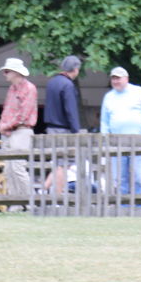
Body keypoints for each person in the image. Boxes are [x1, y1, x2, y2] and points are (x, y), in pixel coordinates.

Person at [100, 66, 141, 196]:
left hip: (138, 141)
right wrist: (105, 139)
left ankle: (139, 206)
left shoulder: (138, 91)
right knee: (118, 179)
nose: (115, 81)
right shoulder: (108, 97)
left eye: (118, 78)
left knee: (139, 177)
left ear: (126, 78)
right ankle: (122, 207)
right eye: (113, 78)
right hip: (116, 143)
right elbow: (104, 121)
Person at [0, 57, 38, 212]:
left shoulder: (29, 88)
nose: (5, 74)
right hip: (9, 133)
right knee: (8, 169)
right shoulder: (11, 89)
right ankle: (16, 203)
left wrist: (5, 125)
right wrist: (2, 125)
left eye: (7, 71)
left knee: (18, 167)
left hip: (22, 131)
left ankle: (30, 202)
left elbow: (23, 114)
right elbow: (7, 110)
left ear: (16, 72)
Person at [44, 55, 84, 195]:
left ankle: (43, 190)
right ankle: (58, 197)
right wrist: (76, 131)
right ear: (75, 69)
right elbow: (71, 110)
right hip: (63, 130)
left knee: (57, 162)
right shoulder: (68, 85)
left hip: (51, 128)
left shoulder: (52, 82)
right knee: (63, 164)